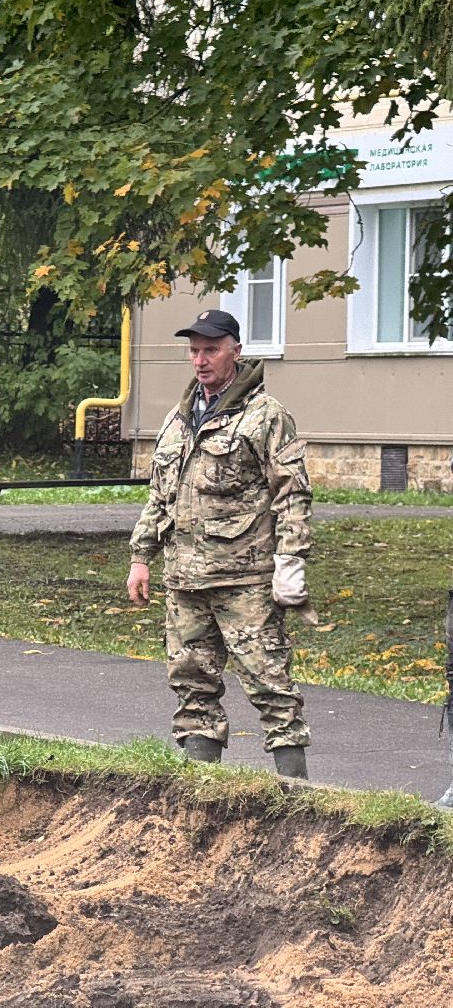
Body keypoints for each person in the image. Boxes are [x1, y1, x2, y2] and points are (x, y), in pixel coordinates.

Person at [126, 308, 314, 779]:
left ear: (236, 350)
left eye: (211, 349)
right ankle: (201, 790)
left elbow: (292, 492)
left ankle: (297, 795)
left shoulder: (265, 416)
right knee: (192, 686)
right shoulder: (178, 418)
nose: (200, 360)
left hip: (243, 580)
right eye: (194, 351)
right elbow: (159, 493)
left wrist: (291, 560)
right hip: (185, 579)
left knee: (271, 686)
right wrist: (140, 556)